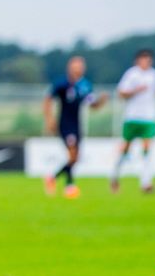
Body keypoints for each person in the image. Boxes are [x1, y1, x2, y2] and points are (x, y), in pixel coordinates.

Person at [42, 55, 108, 198]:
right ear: (70, 68)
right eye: (76, 66)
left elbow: (92, 105)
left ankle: (53, 178)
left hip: (78, 124)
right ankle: (70, 186)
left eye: (81, 66)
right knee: (72, 153)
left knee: (75, 157)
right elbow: (47, 100)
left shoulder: (85, 85)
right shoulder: (61, 84)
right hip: (65, 124)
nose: (79, 69)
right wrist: (49, 120)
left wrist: (101, 101)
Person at [110, 49, 155, 193]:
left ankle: (146, 182)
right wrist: (136, 90)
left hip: (149, 117)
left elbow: (153, 91)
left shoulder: (154, 74)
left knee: (147, 148)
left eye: (148, 60)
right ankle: (115, 175)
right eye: (143, 59)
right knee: (126, 148)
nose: (146, 62)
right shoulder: (131, 74)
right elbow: (121, 93)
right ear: (137, 61)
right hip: (132, 117)